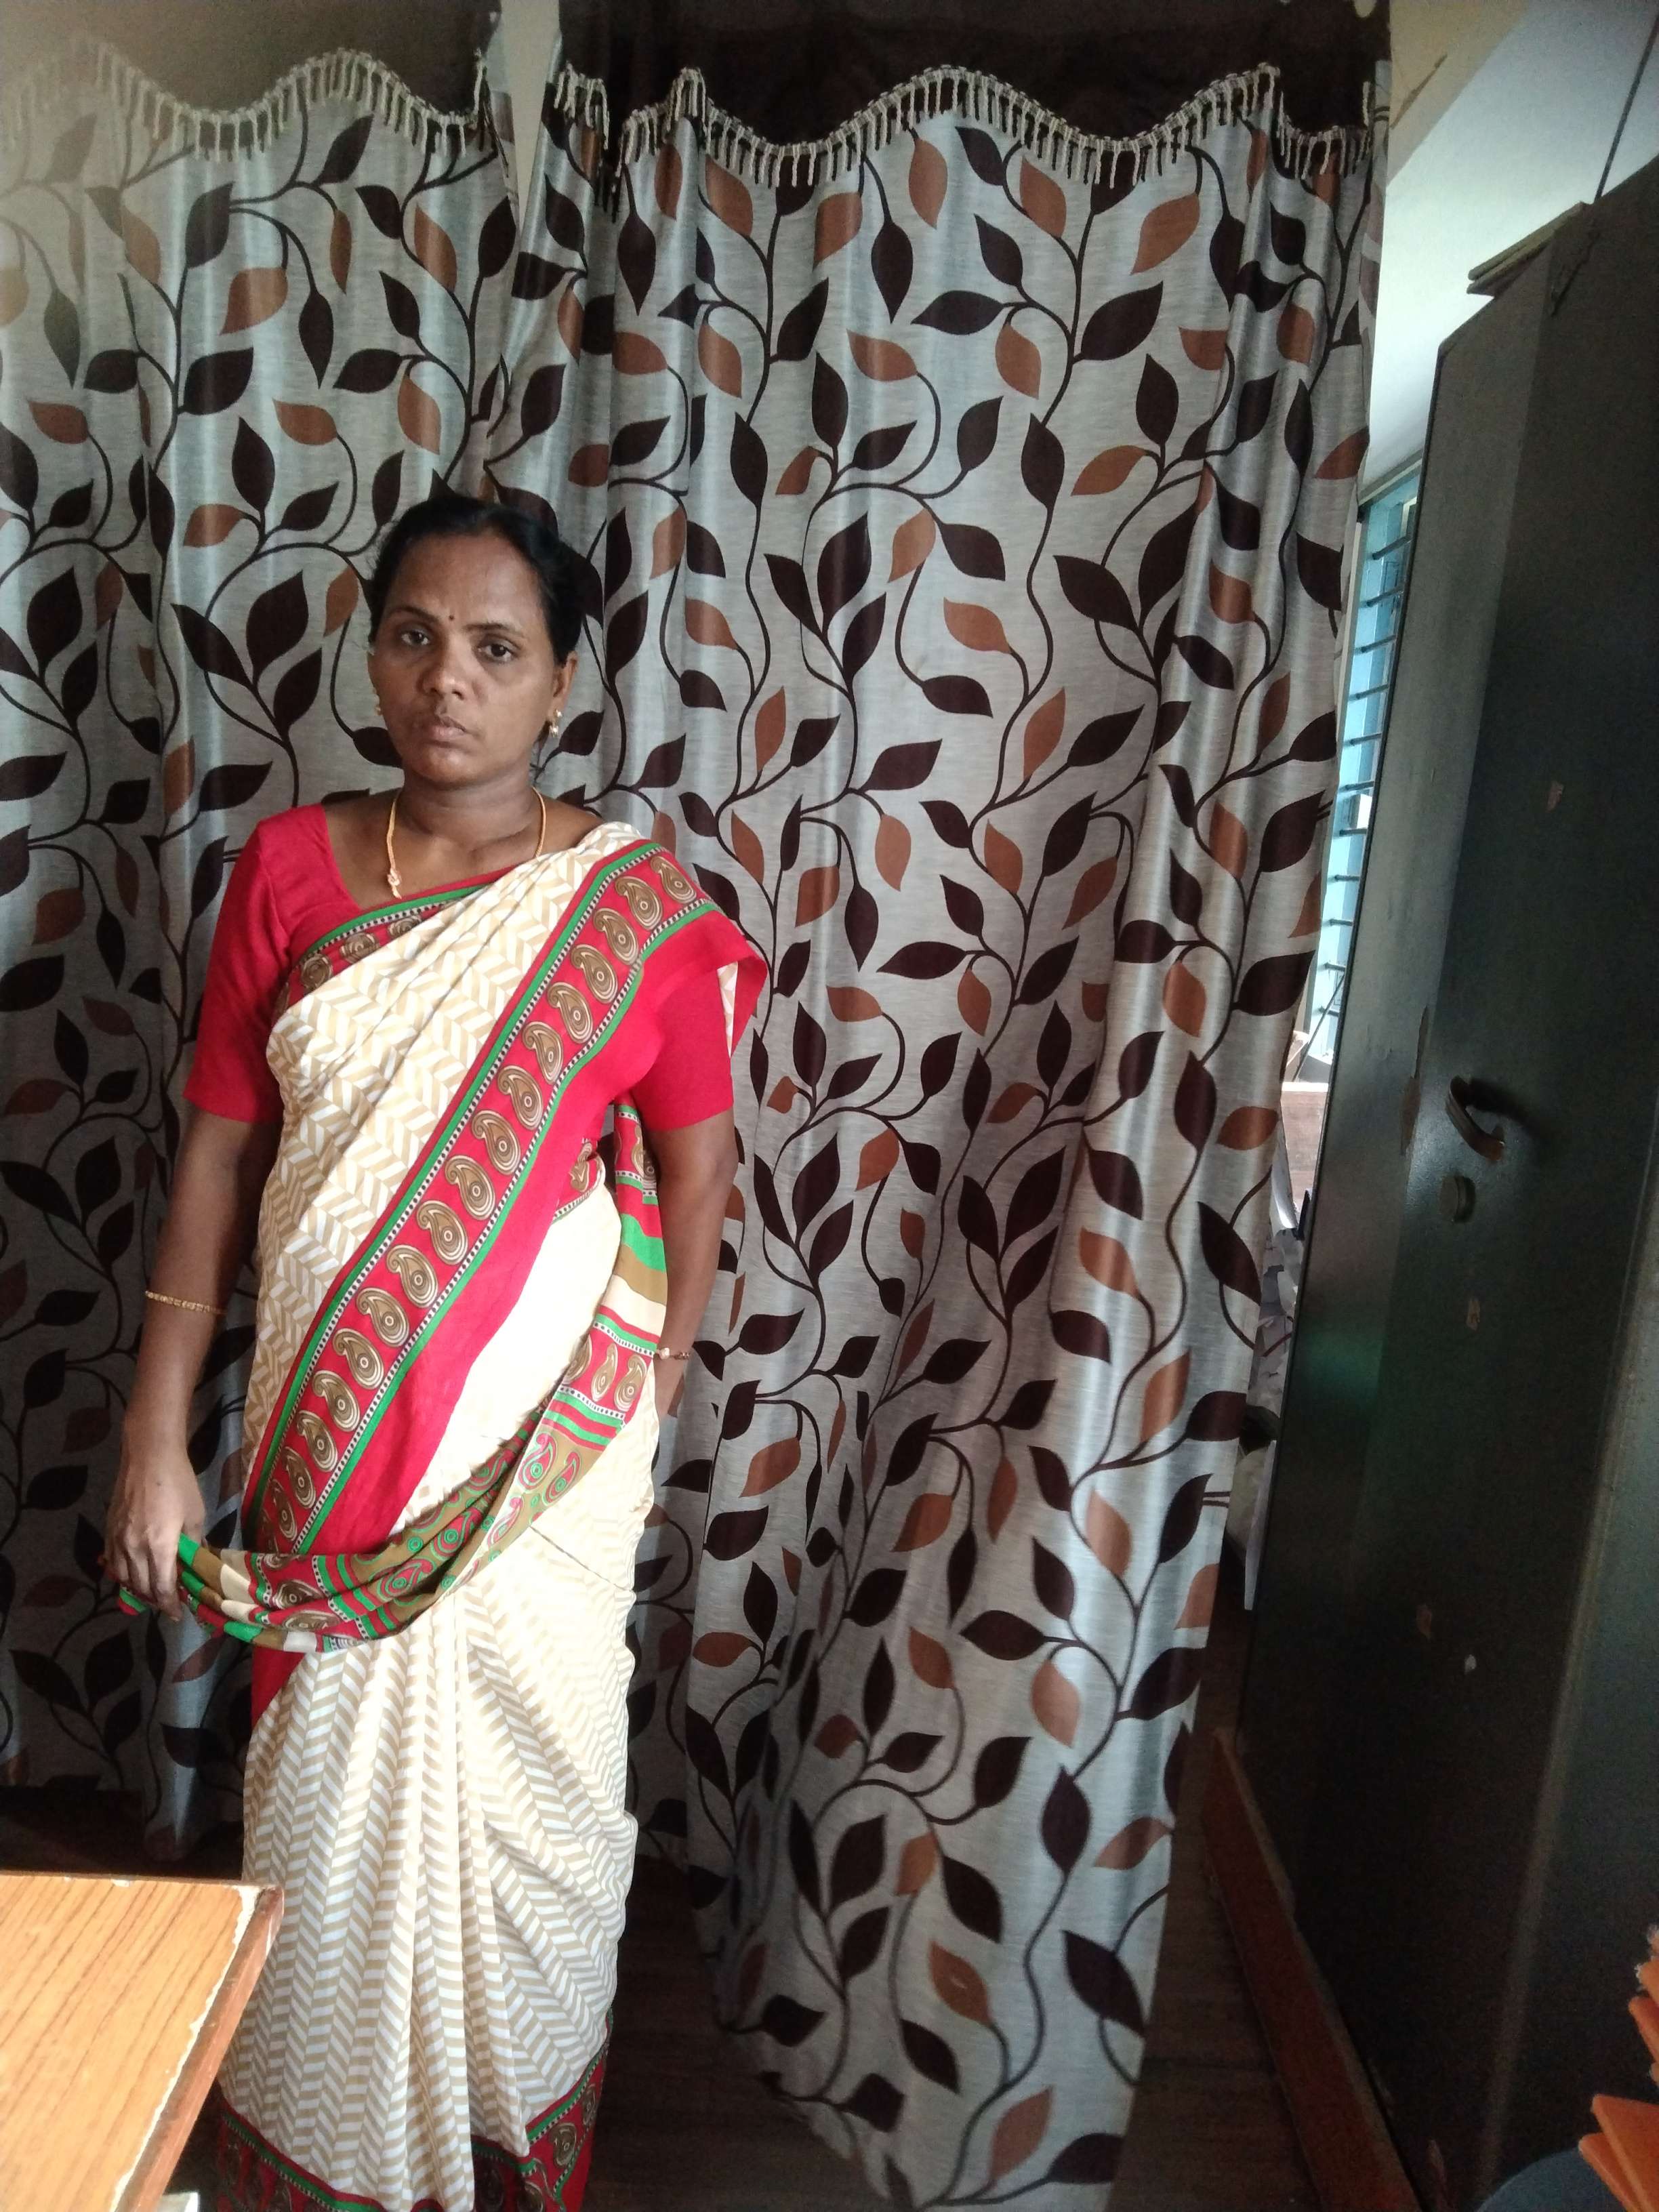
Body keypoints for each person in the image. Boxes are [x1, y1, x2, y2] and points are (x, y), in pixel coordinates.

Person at [104, 493, 764, 2212]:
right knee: (332, 1800)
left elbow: (697, 1166)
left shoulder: (632, 907)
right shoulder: (289, 872)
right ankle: (338, 2147)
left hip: (543, 1464)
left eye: (494, 647)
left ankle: (506, 2128)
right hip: (335, 1440)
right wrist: (155, 1440)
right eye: (413, 636)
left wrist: (658, 1374)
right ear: (371, 648)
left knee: (544, 1803)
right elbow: (215, 1161)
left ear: (561, 680)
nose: (445, 680)